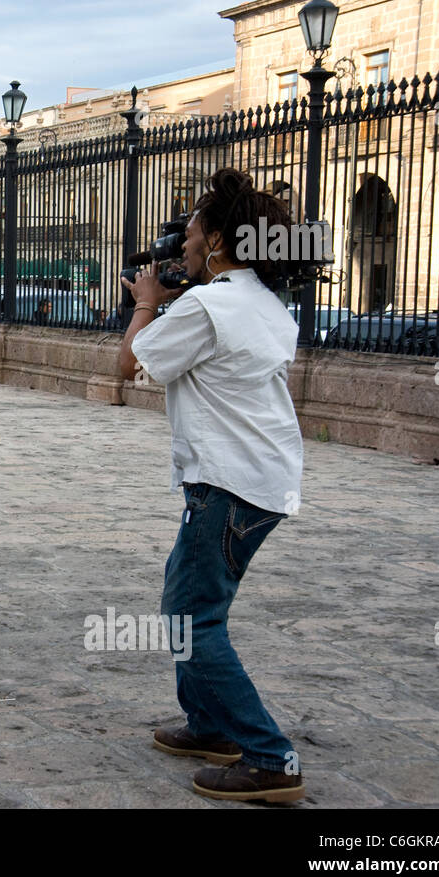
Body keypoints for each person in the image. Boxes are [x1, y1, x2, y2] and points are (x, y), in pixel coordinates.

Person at [118, 168, 305, 803]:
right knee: (193, 603)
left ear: (219, 240)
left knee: (190, 618)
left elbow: (130, 364)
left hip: (226, 483)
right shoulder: (263, 303)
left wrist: (146, 299)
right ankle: (211, 727)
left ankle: (270, 757)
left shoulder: (208, 303)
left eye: (193, 231)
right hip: (260, 479)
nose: (185, 242)